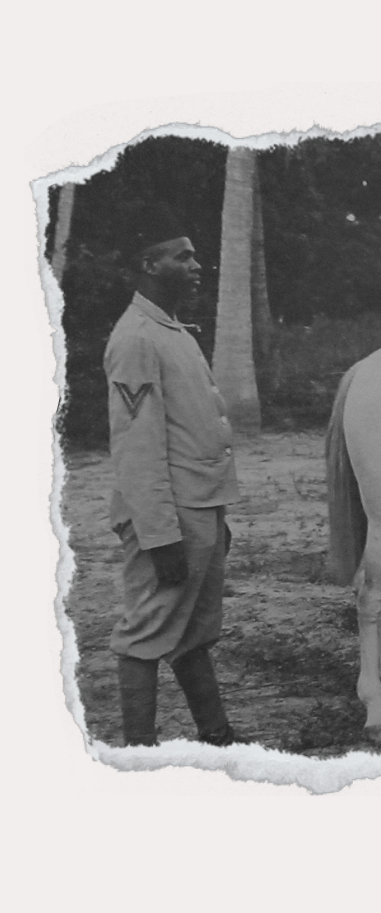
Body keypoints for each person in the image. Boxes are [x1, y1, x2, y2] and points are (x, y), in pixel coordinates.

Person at [103, 204, 242, 746]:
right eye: (182, 257)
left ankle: (217, 736)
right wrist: (160, 536)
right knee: (147, 633)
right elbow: (137, 450)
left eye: (194, 256)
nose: (196, 265)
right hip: (169, 516)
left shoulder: (169, 329)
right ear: (149, 264)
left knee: (192, 632)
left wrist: (215, 517)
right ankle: (137, 756)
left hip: (198, 508)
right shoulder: (137, 337)